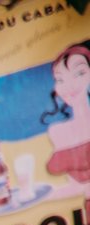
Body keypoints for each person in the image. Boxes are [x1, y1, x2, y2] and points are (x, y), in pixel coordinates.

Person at [43, 44, 90, 191]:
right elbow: (75, 188)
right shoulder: (57, 131)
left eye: (79, 73)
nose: (70, 85)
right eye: (60, 79)